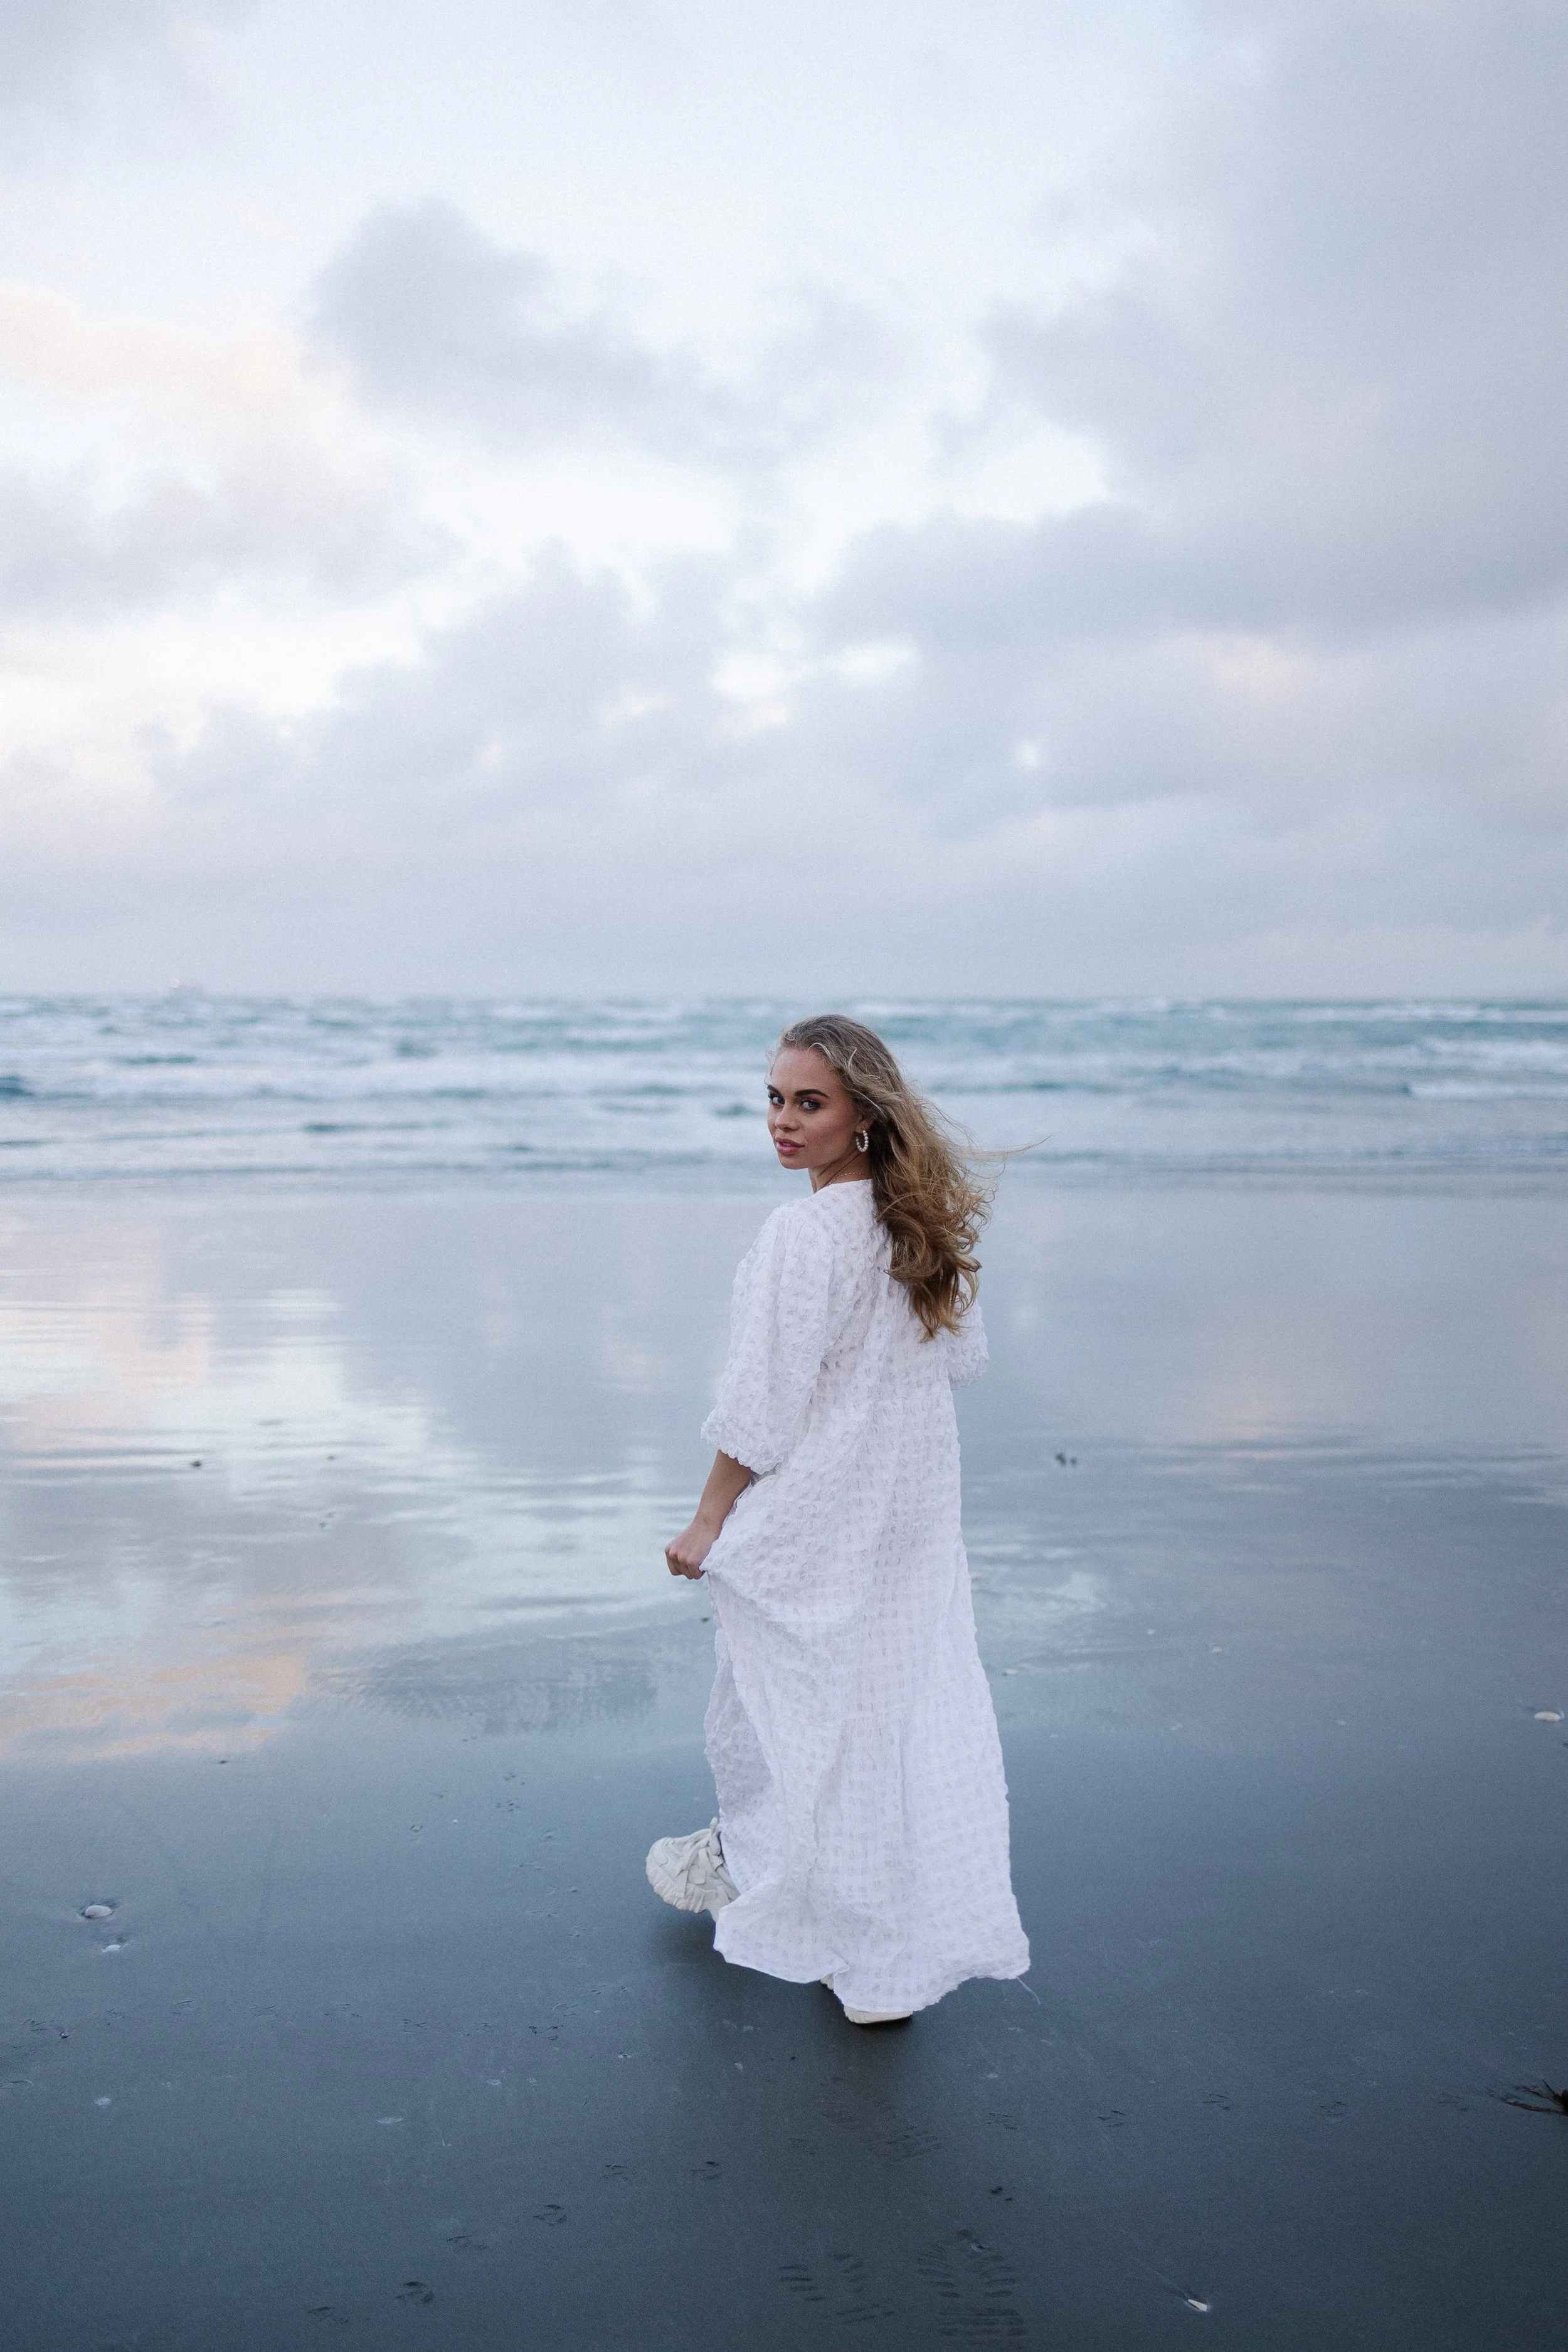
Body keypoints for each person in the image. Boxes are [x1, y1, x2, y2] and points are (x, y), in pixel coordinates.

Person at [646, 1014, 1029, 2026]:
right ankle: (875, 1953)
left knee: (788, 1701)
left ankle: (770, 1875)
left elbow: (762, 1404)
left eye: (808, 1102)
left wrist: (706, 1520)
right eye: (773, 1098)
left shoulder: (803, 1234)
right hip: (910, 1504)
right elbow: (962, 1360)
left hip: (831, 1504)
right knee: (886, 1713)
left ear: (863, 1115)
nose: (783, 1120)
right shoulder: (921, 1226)